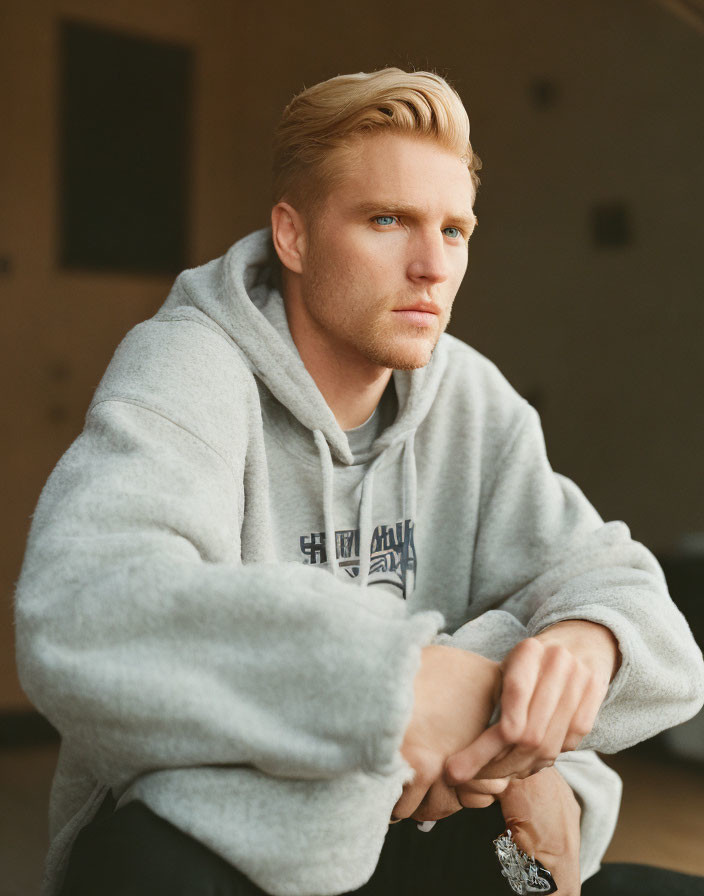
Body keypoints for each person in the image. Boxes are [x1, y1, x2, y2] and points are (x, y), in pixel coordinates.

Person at [14, 67, 704, 896]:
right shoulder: (190, 365)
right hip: (225, 849)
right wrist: (405, 685)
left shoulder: (470, 394)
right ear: (293, 236)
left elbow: (648, 627)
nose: (431, 266)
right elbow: (80, 609)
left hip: (430, 824)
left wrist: (559, 673)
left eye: (455, 230)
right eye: (388, 220)